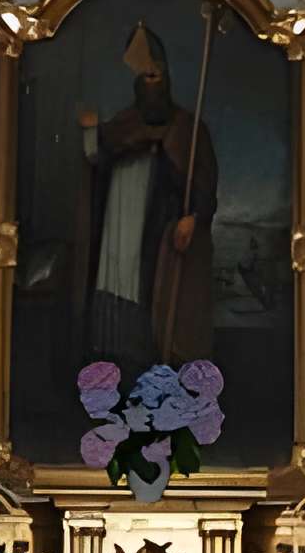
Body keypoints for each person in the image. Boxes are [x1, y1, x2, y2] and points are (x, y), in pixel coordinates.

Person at [75, 22, 218, 367]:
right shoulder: (125, 121)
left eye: (156, 74)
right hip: (118, 228)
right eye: (145, 76)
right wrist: (90, 131)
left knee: (156, 300)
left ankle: (159, 370)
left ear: (166, 77)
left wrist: (193, 217)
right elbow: (97, 155)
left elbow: (204, 180)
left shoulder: (187, 128)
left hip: (157, 230)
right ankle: (115, 369)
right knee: (117, 296)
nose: (151, 81)